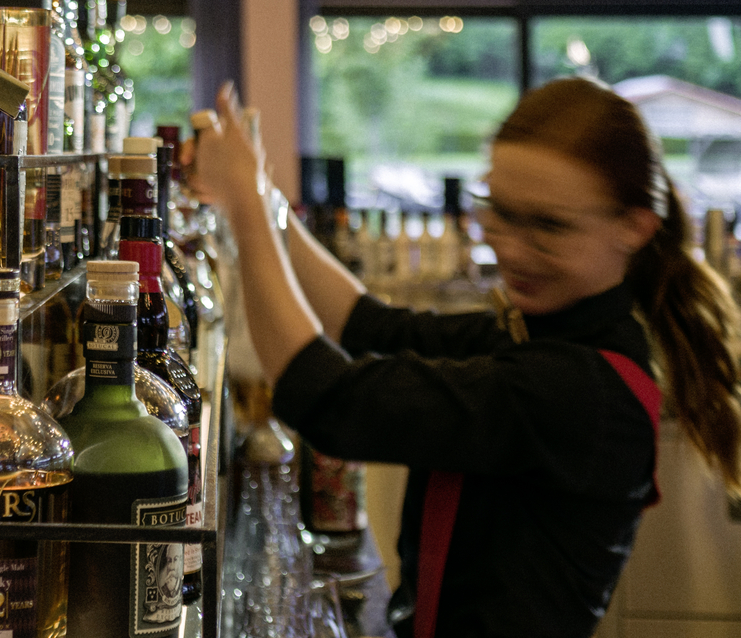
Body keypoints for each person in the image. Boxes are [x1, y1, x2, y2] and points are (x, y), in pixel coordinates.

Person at [190, 76, 741, 638]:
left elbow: (331, 400)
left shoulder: (578, 386)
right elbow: (369, 325)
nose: (512, 248)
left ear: (634, 228)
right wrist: (264, 197)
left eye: (549, 225)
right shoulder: (536, 335)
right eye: (499, 212)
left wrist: (246, 205)